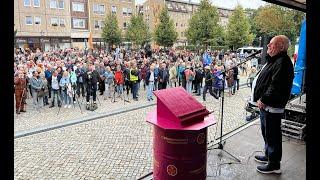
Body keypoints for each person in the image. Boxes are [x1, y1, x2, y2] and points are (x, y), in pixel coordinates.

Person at [252, 35, 294, 174]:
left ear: (281, 47)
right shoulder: (276, 59)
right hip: (267, 106)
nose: (268, 46)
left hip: (271, 106)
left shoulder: (282, 62)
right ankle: (269, 155)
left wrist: (263, 100)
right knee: (267, 133)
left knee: (273, 135)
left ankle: (274, 164)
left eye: (271, 44)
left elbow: (276, 86)